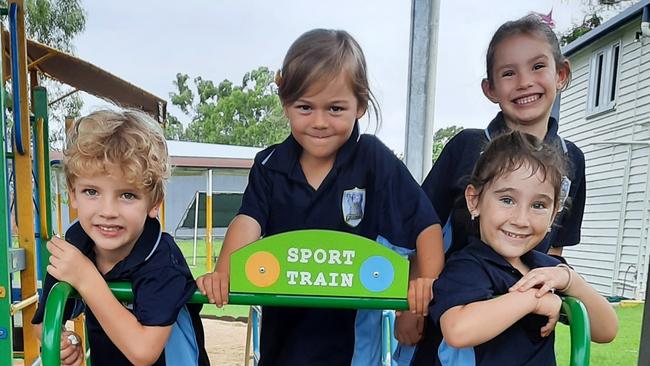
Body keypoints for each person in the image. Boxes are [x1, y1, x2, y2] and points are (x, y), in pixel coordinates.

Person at [197, 28, 444, 365]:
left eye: (335, 108)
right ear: (285, 102)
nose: (319, 122)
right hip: (283, 339)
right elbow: (249, 220)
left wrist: (420, 300)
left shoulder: (372, 160)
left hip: (353, 345)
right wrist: (223, 271)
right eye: (305, 107)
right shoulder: (269, 165)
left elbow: (426, 226)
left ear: (360, 104)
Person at [32, 110, 210, 366]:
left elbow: (143, 352)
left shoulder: (161, 258)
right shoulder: (76, 245)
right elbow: (42, 324)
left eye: (127, 195)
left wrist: (86, 279)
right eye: (91, 191)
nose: (108, 212)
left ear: (154, 203)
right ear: (73, 194)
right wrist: (63, 342)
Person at [429, 131, 617, 365]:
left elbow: (606, 330)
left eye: (538, 205)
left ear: (553, 215)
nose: (521, 219)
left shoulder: (548, 270)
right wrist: (534, 300)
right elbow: (458, 330)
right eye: (507, 200)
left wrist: (570, 281)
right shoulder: (468, 266)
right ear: (474, 200)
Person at [421, 14, 586, 259]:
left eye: (538, 67)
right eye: (509, 73)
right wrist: (426, 278)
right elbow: (422, 223)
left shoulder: (572, 158)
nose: (525, 82)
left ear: (561, 74)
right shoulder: (465, 146)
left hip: (528, 291)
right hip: (460, 288)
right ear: (490, 89)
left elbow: (555, 246)